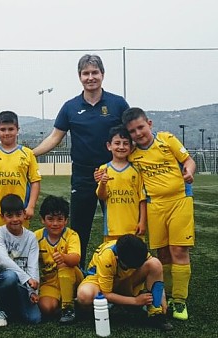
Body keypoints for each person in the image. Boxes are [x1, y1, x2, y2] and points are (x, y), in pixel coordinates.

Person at [33, 54, 129, 267]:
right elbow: (55, 137)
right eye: (86, 73)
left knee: (117, 228)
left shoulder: (118, 103)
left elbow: (133, 134)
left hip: (114, 175)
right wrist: (30, 154)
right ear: (79, 76)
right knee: (79, 229)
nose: (90, 77)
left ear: (102, 75)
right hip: (83, 176)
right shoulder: (70, 106)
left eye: (95, 72)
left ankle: (120, 275)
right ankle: (77, 276)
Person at [122, 107, 196, 321]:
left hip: (179, 200)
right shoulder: (133, 155)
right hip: (155, 206)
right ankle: (168, 295)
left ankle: (180, 300)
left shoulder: (167, 140)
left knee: (179, 250)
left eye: (141, 127)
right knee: (162, 254)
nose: (138, 133)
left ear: (150, 124)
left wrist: (189, 172)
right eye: (133, 131)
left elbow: (189, 160)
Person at [77, 234, 173, 331]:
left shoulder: (138, 250)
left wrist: (161, 298)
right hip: (98, 282)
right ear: (118, 258)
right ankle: (95, 309)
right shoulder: (107, 257)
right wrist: (135, 301)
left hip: (124, 281)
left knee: (155, 263)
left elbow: (157, 273)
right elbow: (106, 293)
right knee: (84, 295)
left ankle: (155, 312)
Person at [0, 194, 41, 327]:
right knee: (11, 276)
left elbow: (33, 265)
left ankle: (11, 306)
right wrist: (28, 279)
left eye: (18, 214)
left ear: (24, 214)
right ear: (2, 217)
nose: (15, 219)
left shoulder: (31, 237)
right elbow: (4, 261)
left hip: (21, 284)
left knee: (34, 319)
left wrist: (32, 291)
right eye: (9, 215)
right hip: (0, 279)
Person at [0, 111, 41, 230]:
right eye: (3, 129)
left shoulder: (28, 154)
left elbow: (35, 182)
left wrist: (31, 207)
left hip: (20, 212)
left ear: (17, 130)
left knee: (21, 246)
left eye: (11, 129)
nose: (7, 133)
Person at [35, 195, 83, 324]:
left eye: (59, 219)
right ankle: (73, 304)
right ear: (42, 220)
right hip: (50, 282)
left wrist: (64, 257)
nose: (55, 223)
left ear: (66, 220)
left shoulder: (71, 235)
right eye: (50, 219)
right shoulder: (36, 237)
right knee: (46, 308)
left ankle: (68, 308)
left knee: (64, 263)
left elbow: (76, 259)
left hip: (73, 278)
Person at [95, 125, 146, 241]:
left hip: (134, 229)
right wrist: (102, 183)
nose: (121, 147)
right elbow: (102, 196)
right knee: (112, 258)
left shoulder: (137, 170)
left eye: (125, 143)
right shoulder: (104, 169)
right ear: (109, 146)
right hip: (112, 229)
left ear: (132, 147)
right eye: (117, 143)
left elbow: (142, 199)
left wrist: (142, 222)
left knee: (136, 258)